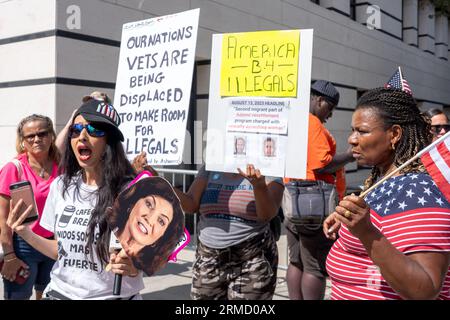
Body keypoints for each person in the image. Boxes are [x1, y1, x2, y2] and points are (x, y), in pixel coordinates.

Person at [7, 99, 144, 300]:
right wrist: (23, 232)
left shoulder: (131, 191)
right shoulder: (61, 185)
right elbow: (60, 251)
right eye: (76, 129)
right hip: (59, 293)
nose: (82, 136)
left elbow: (152, 254)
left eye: (94, 130)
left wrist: (134, 267)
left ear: (110, 141)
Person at [324, 87, 450, 300]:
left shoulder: (420, 192)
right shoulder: (382, 178)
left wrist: (366, 232)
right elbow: (388, 225)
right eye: (353, 130)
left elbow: (425, 289)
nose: (352, 140)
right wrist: (348, 220)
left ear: (394, 134)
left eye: (362, 131)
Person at [283, 80, 355, 300]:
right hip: (313, 204)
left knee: (296, 260)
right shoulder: (311, 123)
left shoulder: (296, 121)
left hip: (293, 202)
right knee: (314, 266)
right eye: (330, 108)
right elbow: (322, 163)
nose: (330, 115)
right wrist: (351, 155)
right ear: (319, 100)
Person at [174, 164, 284, 300]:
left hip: (251, 260)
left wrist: (259, 186)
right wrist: (161, 183)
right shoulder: (211, 165)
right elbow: (191, 204)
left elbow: (267, 214)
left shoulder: (269, 165)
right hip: (209, 260)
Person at [0, 114, 60, 300]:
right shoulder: (14, 168)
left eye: (42, 133)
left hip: (54, 245)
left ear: (51, 136)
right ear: (23, 141)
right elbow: (2, 218)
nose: (37, 139)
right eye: (30, 136)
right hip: (23, 248)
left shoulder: (62, 165)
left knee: (49, 297)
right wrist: (9, 255)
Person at [108, 176, 184, 276]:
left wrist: (134, 271)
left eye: (161, 221)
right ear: (133, 203)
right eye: (149, 204)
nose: (150, 219)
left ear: (162, 236)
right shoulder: (103, 225)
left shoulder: (144, 264)